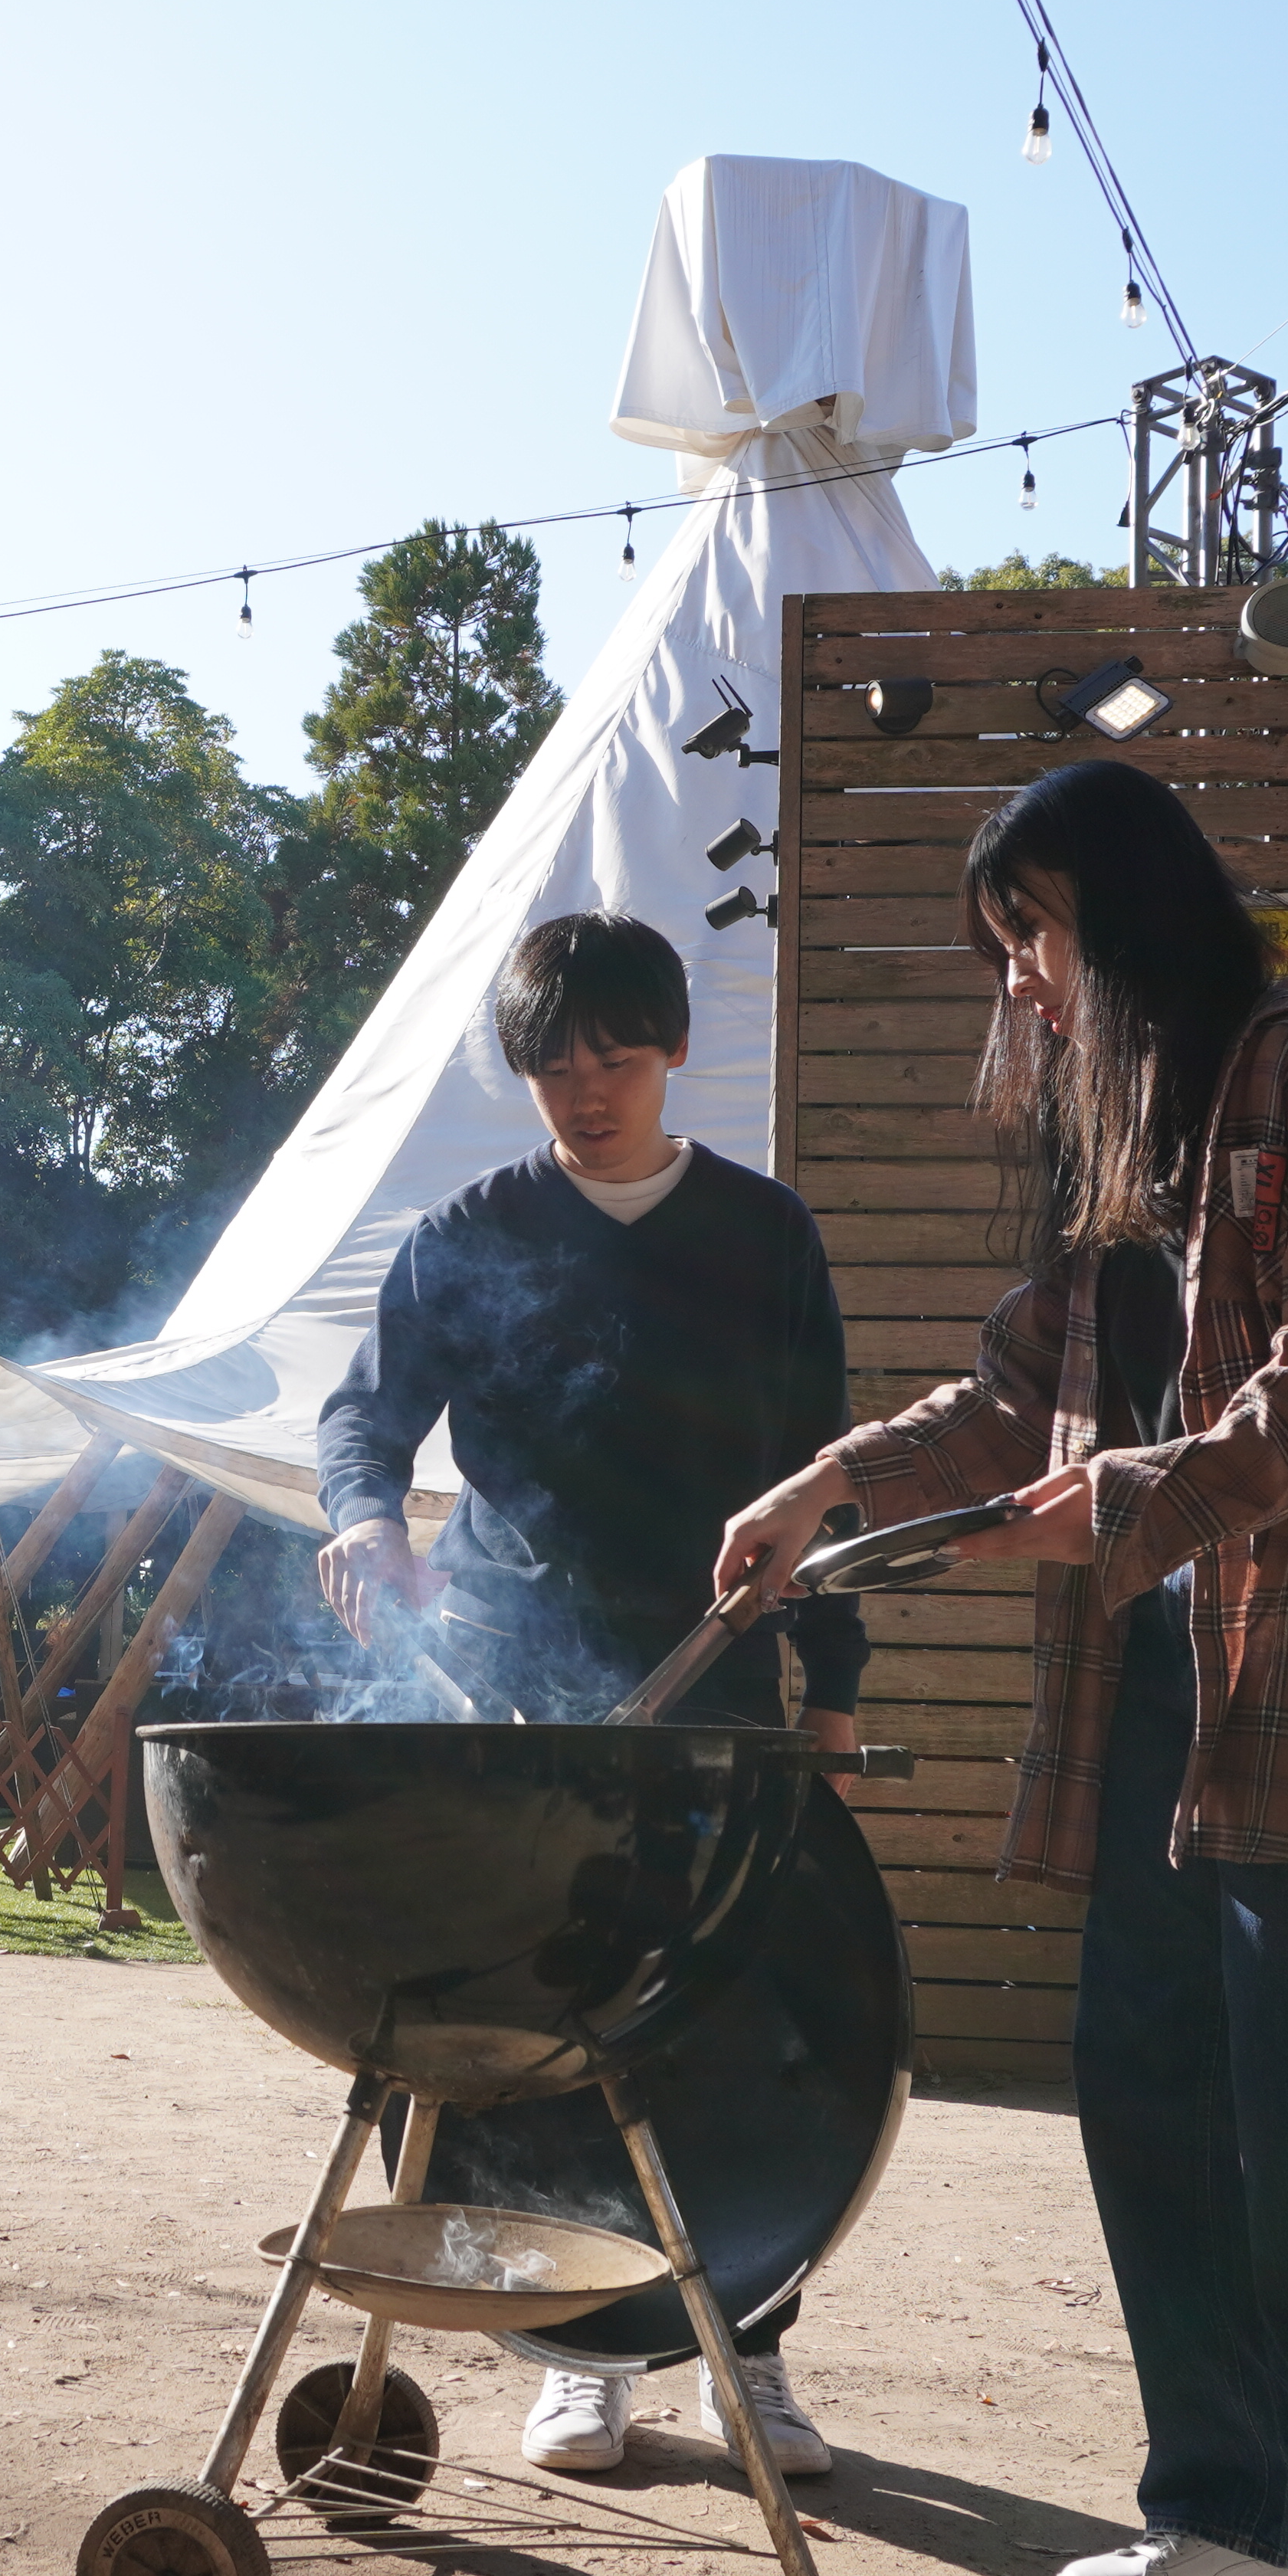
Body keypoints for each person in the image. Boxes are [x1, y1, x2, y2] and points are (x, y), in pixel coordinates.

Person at [710, 761, 1288, 2576]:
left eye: (1036, 934)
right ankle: (1253, 2519)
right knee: (1158, 2104)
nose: (1021, 983)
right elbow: (1009, 1401)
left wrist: (1134, 1496)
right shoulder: (1141, 1178)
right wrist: (822, 1487)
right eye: (1004, 946)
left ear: (1134, 914)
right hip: (1167, 1722)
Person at [314, 908, 870, 2485]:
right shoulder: (467, 1232)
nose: (585, 1091)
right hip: (513, 1685)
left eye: (615, 1057)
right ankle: (573, 2361)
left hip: (713, 1674)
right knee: (542, 2021)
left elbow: (823, 1476)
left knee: (734, 2017)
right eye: (553, 1065)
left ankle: (747, 2349)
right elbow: (367, 1425)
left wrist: (829, 1689)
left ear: (672, 1049)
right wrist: (362, 1516)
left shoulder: (764, 1236)